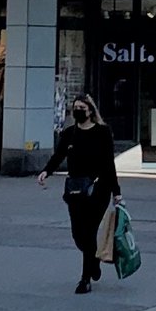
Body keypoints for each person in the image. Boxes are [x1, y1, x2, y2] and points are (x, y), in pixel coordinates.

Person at [38, 93, 120, 293]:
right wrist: (46, 171)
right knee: (78, 235)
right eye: (75, 108)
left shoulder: (102, 132)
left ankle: (85, 279)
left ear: (90, 111)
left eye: (82, 108)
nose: (78, 112)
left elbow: (109, 163)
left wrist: (117, 192)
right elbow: (59, 155)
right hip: (75, 190)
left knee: (89, 231)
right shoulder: (69, 133)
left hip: (98, 189)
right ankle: (93, 260)